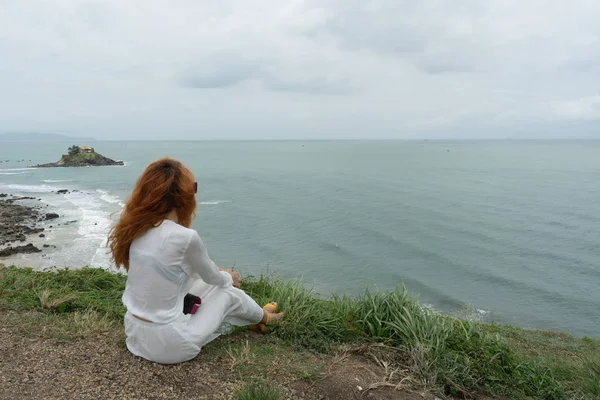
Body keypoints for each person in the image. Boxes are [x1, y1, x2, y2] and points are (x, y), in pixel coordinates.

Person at [107, 157, 283, 364]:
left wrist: (217, 274)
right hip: (172, 346)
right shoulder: (185, 237)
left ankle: (257, 316)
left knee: (204, 284)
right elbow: (217, 280)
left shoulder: (135, 229)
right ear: (184, 196)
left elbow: (175, 270)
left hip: (135, 337)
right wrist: (229, 276)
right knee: (228, 293)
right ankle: (265, 319)